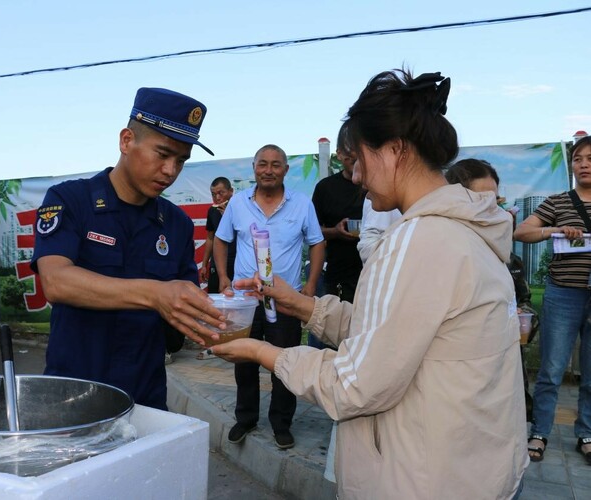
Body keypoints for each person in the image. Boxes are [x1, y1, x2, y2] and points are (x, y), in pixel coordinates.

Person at [212, 69, 526, 499]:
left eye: (358, 159)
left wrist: (261, 351)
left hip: (420, 480)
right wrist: (301, 304)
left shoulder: (418, 240)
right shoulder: (468, 228)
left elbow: (354, 385)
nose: (355, 176)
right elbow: (396, 332)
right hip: (467, 468)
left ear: (394, 150)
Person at [31, 87, 224, 411]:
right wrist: (155, 295)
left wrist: (220, 312)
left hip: (144, 398)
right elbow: (57, 282)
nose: (171, 171)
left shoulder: (176, 224)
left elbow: (183, 302)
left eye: (181, 160)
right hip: (73, 394)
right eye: (162, 154)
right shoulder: (70, 200)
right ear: (126, 141)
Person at [213, 144, 325, 449]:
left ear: (286, 171)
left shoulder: (302, 204)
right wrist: (223, 277)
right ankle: (246, 418)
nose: (269, 170)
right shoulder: (238, 203)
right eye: (263, 164)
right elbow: (221, 241)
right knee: (244, 360)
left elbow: (317, 243)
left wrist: (310, 285)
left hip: (285, 301)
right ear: (254, 168)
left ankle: (281, 424)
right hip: (245, 301)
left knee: (285, 363)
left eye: (276, 165)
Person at [514, 135, 591, 465]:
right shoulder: (559, 202)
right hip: (563, 293)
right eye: (577, 159)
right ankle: (540, 431)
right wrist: (555, 231)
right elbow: (521, 232)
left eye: (590, 158)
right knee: (552, 368)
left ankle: (586, 432)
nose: (583, 164)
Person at [445, 158, 539, 422]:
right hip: (459, 388)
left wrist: (522, 315)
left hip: (501, 377)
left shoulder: (507, 257)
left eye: (495, 201)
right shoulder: (440, 249)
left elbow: (525, 302)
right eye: (481, 200)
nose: (492, 210)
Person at [312, 136, 364, 301]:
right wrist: (335, 231)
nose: (354, 156)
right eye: (349, 151)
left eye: (359, 150)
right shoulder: (326, 188)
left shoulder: (378, 184)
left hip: (375, 272)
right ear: (339, 154)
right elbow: (312, 232)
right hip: (340, 275)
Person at [197, 176, 236, 360]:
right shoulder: (211, 211)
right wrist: (205, 263)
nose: (217, 197)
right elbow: (211, 238)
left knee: (235, 303)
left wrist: (227, 215)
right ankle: (214, 344)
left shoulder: (238, 209)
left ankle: (235, 343)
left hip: (236, 262)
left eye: (221, 193)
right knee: (215, 302)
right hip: (217, 264)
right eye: (213, 194)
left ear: (230, 192)